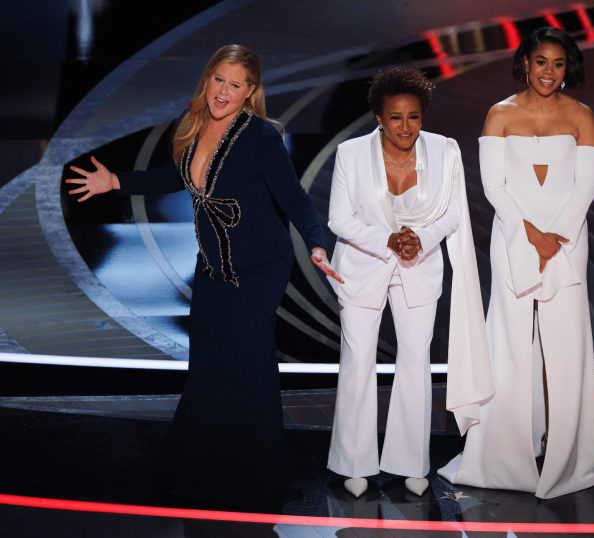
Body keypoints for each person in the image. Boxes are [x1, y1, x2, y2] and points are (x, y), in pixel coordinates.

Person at [66, 44, 342, 509]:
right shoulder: (193, 127)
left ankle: (255, 479)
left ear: (250, 92)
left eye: (236, 85)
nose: (224, 92)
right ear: (208, 79)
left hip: (260, 270)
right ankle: (200, 472)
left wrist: (316, 242)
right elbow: (175, 177)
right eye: (219, 80)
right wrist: (116, 181)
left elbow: (294, 198)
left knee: (244, 368)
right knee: (210, 369)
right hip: (213, 269)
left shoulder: (260, 137)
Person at [438, 28, 594, 499]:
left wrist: (556, 235)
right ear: (525, 62)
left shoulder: (581, 115)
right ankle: (504, 455)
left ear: (567, 67)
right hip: (514, 236)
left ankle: (567, 457)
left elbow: (586, 186)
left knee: (566, 344)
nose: (549, 72)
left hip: (567, 238)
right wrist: (532, 233)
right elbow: (494, 186)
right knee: (510, 343)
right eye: (541, 62)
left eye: (558, 64)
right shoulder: (500, 113)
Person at [325, 68, 492, 498]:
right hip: (363, 266)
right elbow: (339, 219)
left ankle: (409, 462)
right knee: (359, 358)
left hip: (418, 266)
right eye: (396, 117)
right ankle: (354, 463)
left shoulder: (445, 150)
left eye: (414, 117)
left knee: (416, 359)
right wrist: (388, 240)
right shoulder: (350, 153)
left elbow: (454, 213)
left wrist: (422, 238)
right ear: (379, 116)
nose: (405, 127)